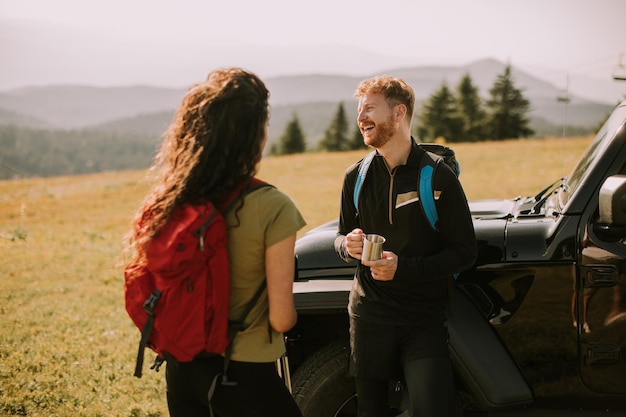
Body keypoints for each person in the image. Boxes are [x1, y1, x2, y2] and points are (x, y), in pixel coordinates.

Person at [127, 68, 306, 417]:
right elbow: (282, 319)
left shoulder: (171, 200)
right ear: (255, 134)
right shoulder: (273, 207)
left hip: (181, 371)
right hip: (246, 376)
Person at [334, 75, 477, 417]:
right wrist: (347, 245)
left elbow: (464, 252)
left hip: (422, 321)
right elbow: (340, 236)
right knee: (370, 412)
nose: (361, 117)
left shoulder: (438, 177)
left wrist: (404, 268)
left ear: (399, 113)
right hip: (368, 316)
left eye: (370, 108)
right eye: (359, 109)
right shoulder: (356, 177)